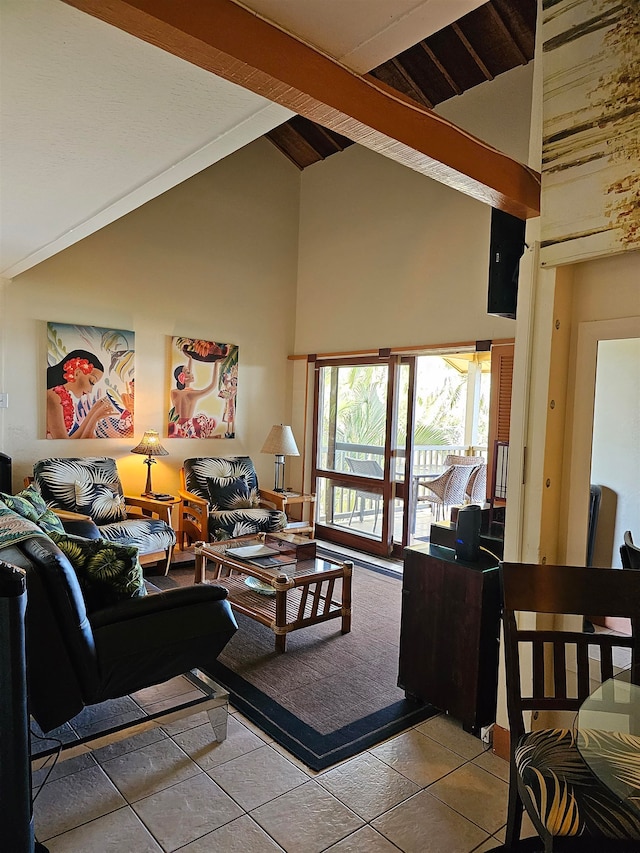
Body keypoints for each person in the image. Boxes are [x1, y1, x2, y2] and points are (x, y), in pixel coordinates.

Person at [46, 350, 115, 439]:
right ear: (77, 373)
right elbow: (65, 445)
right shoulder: (54, 397)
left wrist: (93, 414)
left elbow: (71, 442)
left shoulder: (61, 396)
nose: (90, 391)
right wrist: (93, 417)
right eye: (91, 382)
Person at [169, 354, 219, 438]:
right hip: (187, 428)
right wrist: (216, 364)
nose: (192, 374)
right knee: (207, 421)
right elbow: (212, 386)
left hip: (177, 426)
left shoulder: (173, 392)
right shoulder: (191, 394)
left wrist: (190, 359)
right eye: (189, 373)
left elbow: (185, 384)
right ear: (183, 377)